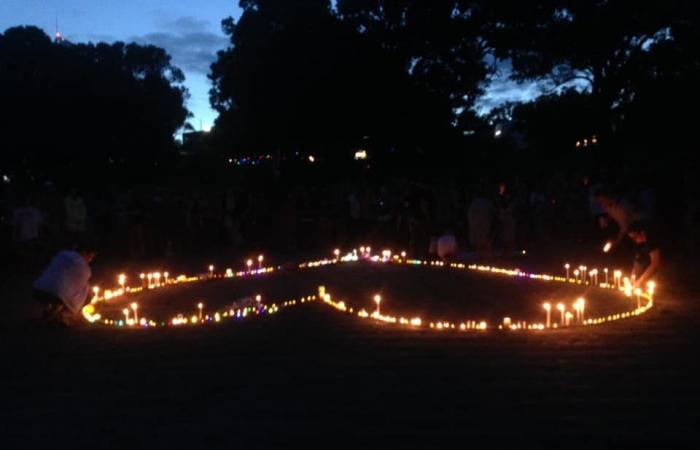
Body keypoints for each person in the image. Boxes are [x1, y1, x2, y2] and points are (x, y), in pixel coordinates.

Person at [32, 243, 97, 324]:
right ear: (84, 252)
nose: (90, 260)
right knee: (88, 291)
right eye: (90, 257)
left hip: (38, 289)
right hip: (56, 295)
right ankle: (62, 315)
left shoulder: (62, 254)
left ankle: (51, 311)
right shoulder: (84, 267)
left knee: (62, 288)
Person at [595, 188, 641, 252]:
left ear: (608, 196)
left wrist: (617, 242)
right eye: (599, 203)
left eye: (602, 201)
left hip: (640, 227)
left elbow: (625, 227)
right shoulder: (608, 205)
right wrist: (607, 219)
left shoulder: (622, 206)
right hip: (630, 229)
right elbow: (612, 213)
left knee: (640, 246)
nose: (602, 205)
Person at [627, 220, 661, 289]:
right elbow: (637, 261)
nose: (634, 240)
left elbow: (655, 263)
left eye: (635, 237)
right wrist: (632, 277)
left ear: (642, 232)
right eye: (632, 238)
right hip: (644, 271)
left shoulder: (651, 241)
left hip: (658, 272)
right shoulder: (637, 244)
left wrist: (640, 281)